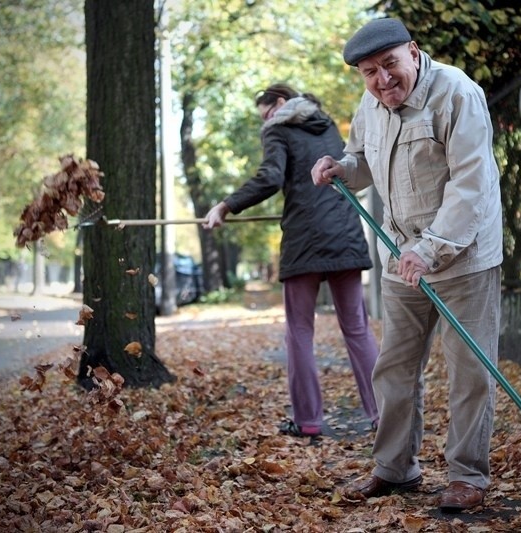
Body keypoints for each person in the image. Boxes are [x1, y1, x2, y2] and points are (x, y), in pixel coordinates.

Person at [311, 18, 503, 512]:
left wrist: (432, 247)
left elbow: (470, 183)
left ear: (413, 53)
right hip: (401, 260)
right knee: (393, 367)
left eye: (390, 64)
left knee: (469, 373)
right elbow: (362, 161)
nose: (382, 80)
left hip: (462, 259)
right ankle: (395, 468)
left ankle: (467, 476)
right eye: (370, 72)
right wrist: (339, 169)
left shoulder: (457, 93)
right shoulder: (371, 105)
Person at [203, 83, 380, 438]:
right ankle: (384, 414)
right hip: (344, 234)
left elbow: (269, 178)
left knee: (299, 331)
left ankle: (308, 421)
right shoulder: (327, 125)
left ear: (280, 104)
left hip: (304, 241)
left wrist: (225, 205)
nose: (264, 121)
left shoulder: (278, 130)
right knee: (357, 328)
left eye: (266, 113)